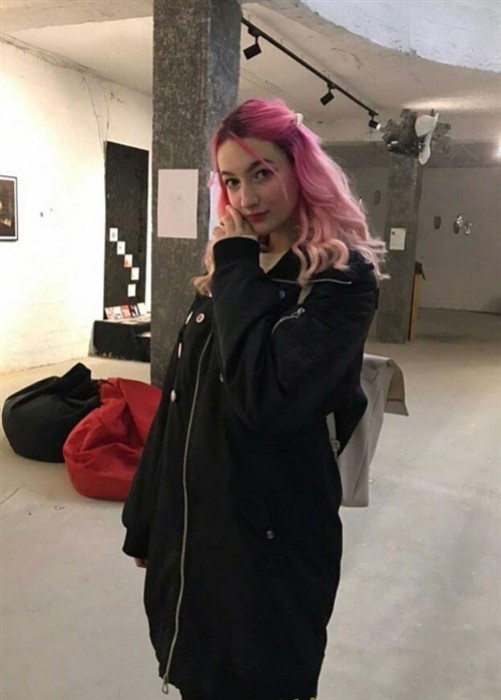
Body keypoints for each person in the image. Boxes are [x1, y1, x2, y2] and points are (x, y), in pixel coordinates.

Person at [122, 98, 386, 700]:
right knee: (196, 672)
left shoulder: (340, 281)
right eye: (233, 181)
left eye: (262, 173)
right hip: (199, 531)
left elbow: (264, 398)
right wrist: (145, 521)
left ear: (300, 169)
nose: (246, 198)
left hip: (273, 544)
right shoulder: (226, 276)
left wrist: (237, 266)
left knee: (260, 678)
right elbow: (178, 403)